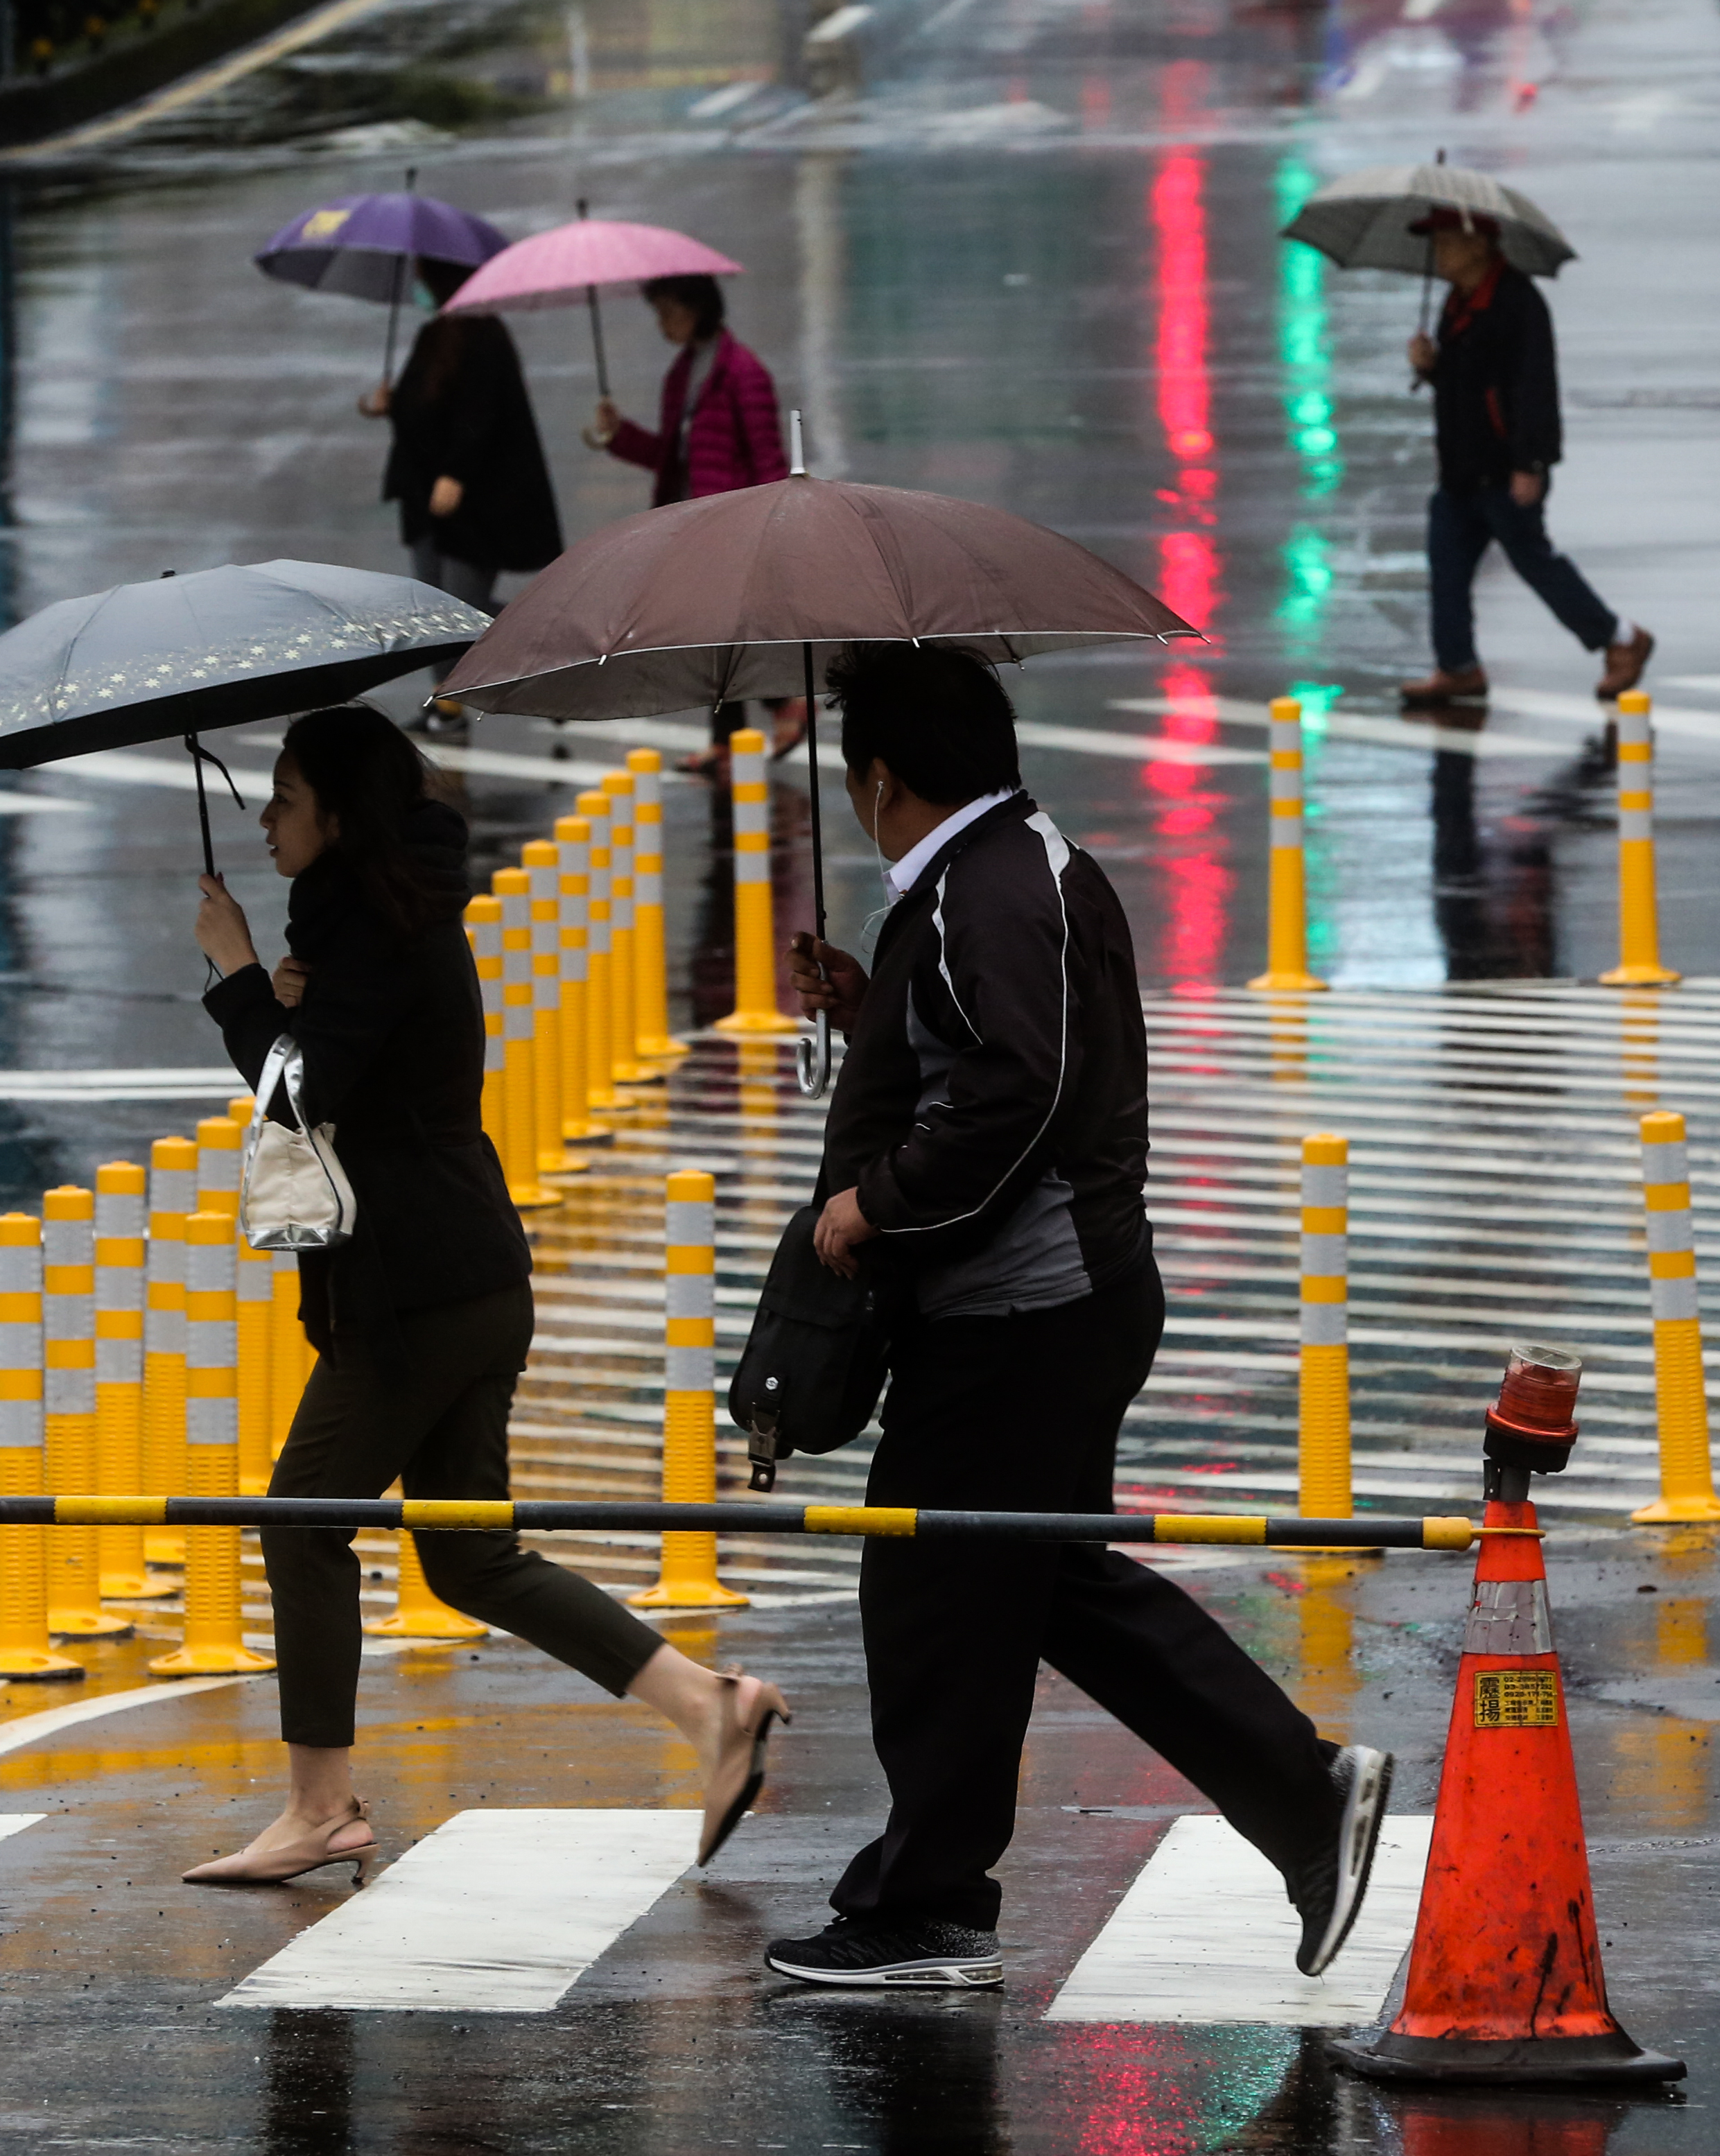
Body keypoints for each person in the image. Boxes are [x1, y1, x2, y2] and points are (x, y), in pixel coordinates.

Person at [764, 643, 1393, 1988]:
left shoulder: (986, 892)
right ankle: (1298, 1798)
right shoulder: (995, 875)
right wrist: (877, 1009)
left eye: (850, 775)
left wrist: (871, 1204)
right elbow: (1002, 1050)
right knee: (1035, 1583)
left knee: (935, 1586)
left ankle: (931, 1899)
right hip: (1048, 1302)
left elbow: (1016, 1091)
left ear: (879, 776)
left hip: (1024, 1311)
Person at [182, 706, 785, 1886]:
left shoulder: (365, 924)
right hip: (464, 1277)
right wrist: (291, 990)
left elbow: (301, 1093)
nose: (264, 817)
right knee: (469, 1558)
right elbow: (353, 1062)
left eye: (287, 797)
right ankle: (712, 1709)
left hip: (413, 1295)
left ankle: (319, 1806)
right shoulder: (386, 914)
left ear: (340, 814)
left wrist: (240, 976)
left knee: (300, 1525)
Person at [1399, 209, 1653, 708]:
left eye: (1446, 243)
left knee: (1534, 563)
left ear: (1477, 245)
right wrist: (1431, 367)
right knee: (1445, 568)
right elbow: (1465, 381)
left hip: (1503, 468)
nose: (1438, 254)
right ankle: (1457, 667)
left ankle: (1621, 639)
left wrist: (1531, 464)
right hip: (1459, 470)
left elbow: (1534, 389)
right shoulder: (1457, 301)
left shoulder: (1516, 303)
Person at [587, 272, 795, 763]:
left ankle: (773, 713)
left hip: (733, 526)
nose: (661, 324)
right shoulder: (682, 374)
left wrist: (779, 527)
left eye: (667, 312)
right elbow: (672, 456)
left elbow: (768, 459)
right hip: (693, 526)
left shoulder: (743, 372)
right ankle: (738, 734)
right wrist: (618, 435)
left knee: (722, 635)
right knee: (711, 636)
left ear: (697, 307)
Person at [360, 259, 564, 731]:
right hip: (422, 498)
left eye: (424, 280)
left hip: (474, 504)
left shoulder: (484, 335)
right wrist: (386, 405)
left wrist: (455, 472)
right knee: (434, 609)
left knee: (460, 609)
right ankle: (448, 705)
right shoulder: (435, 336)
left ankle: (554, 660)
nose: (417, 288)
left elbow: (482, 415)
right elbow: (421, 409)